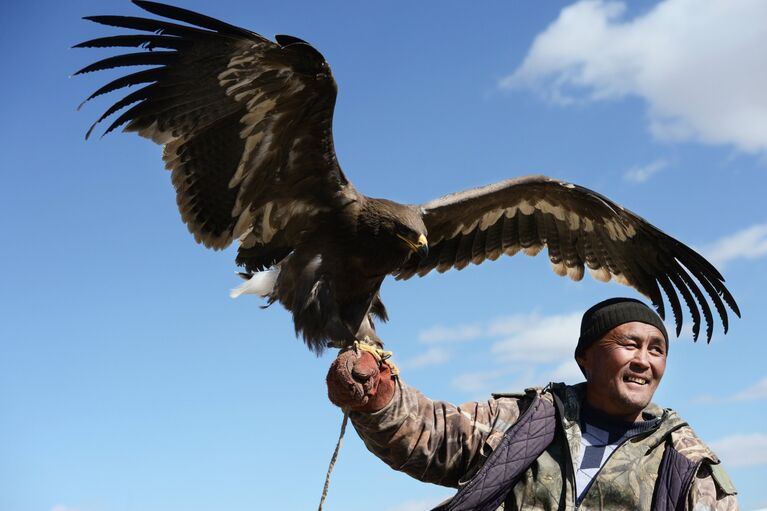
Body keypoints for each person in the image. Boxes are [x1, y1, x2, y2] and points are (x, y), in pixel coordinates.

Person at [326, 297, 738, 510]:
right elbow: (430, 436)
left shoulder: (686, 467)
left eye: (657, 350)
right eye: (629, 344)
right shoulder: (526, 423)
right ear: (585, 358)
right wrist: (379, 395)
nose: (643, 361)